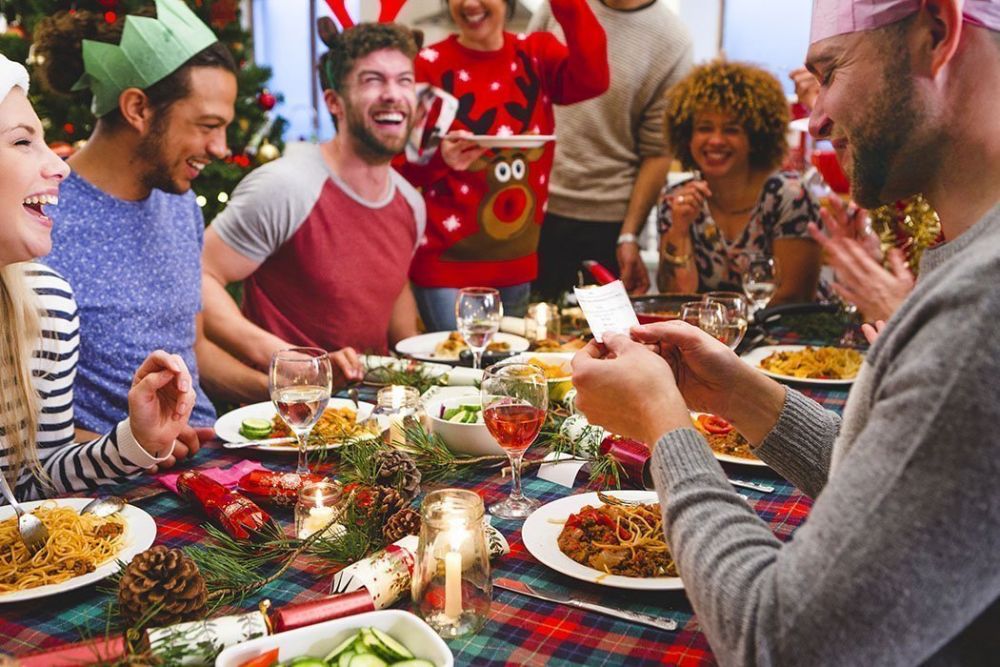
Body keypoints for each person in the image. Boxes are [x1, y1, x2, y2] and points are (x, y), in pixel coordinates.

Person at [572, 0, 1000, 663]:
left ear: (938, 34)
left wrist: (663, 420)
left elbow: (780, 641)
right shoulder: (973, 263)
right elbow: (895, 488)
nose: (819, 113)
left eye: (830, 71)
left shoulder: (981, 308)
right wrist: (736, 391)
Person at [33, 0, 251, 433]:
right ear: (138, 109)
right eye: (207, 125)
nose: (222, 148)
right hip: (112, 488)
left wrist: (291, 391)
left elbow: (196, 349)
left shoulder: (181, 205)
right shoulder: (40, 216)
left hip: (207, 457)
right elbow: (23, 417)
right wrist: (129, 449)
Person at [0, 55, 200, 501]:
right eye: (21, 142)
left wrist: (135, 442)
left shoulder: (45, 305)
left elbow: (34, 486)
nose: (59, 166)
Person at [201, 21, 425, 389]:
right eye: (372, 80)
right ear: (334, 101)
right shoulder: (286, 186)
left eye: (404, 80)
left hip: (376, 414)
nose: (392, 94)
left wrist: (419, 364)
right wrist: (287, 360)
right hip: (283, 417)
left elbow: (394, 286)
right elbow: (200, 278)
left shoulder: (411, 203)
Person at [399, 0, 609, 330]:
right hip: (445, 267)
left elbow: (594, 79)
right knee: (458, 374)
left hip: (516, 262)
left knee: (507, 377)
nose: (469, 4)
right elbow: (401, 166)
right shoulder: (427, 66)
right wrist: (441, 160)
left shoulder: (536, 53)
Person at [529, 0, 692, 299]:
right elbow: (522, 85)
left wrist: (629, 234)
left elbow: (657, 151)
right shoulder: (560, 8)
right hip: (534, 209)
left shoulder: (673, 39)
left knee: (598, 338)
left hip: (607, 221)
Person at [656, 60, 824, 305]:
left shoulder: (789, 195)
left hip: (788, 337)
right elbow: (676, 298)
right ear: (687, 136)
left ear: (755, 136)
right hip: (711, 337)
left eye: (731, 130)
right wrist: (678, 230)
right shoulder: (677, 200)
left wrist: (728, 324)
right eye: (704, 128)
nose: (715, 140)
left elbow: (795, 297)